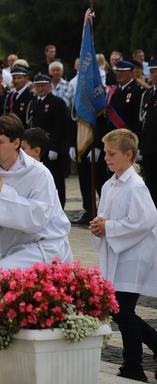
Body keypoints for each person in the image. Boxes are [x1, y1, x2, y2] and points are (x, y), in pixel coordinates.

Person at [90, 129, 157, 383]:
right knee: (119, 310)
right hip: (115, 254)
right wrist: (98, 226)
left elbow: (145, 220)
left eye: (111, 153)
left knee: (124, 311)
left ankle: (133, 366)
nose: (106, 157)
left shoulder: (136, 186)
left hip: (133, 257)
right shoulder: (110, 184)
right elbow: (105, 215)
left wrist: (109, 227)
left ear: (128, 155)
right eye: (106, 152)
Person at [0, 115, 72, 269]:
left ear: (16, 143)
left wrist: (3, 191)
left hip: (44, 246)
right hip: (11, 250)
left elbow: (37, 218)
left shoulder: (38, 173)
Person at [27, 74, 69, 208]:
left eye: (43, 85)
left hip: (51, 148)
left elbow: (60, 127)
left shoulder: (57, 102)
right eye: (37, 86)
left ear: (49, 86)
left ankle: (59, 207)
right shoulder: (33, 102)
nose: (40, 88)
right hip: (36, 148)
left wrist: (55, 148)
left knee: (56, 180)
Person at [106, 60, 145, 137]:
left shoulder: (138, 92)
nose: (118, 74)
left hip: (128, 137)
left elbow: (138, 120)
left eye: (122, 71)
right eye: (117, 71)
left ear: (131, 73)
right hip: (113, 136)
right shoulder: (114, 91)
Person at [140, 59, 157, 201]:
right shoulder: (147, 94)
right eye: (152, 72)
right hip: (148, 147)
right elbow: (142, 121)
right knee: (150, 182)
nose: (155, 75)